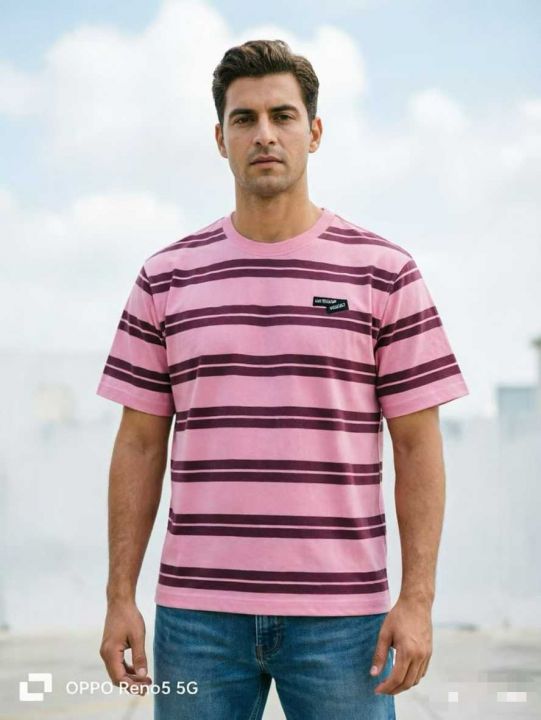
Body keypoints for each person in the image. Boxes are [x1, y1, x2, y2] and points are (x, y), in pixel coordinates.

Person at [96, 39, 469, 720]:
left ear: (314, 131)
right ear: (220, 139)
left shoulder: (384, 272)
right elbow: (139, 443)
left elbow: (417, 446)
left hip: (343, 620)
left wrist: (417, 600)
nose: (263, 134)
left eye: (282, 115)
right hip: (197, 617)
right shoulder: (165, 277)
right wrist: (119, 594)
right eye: (244, 118)